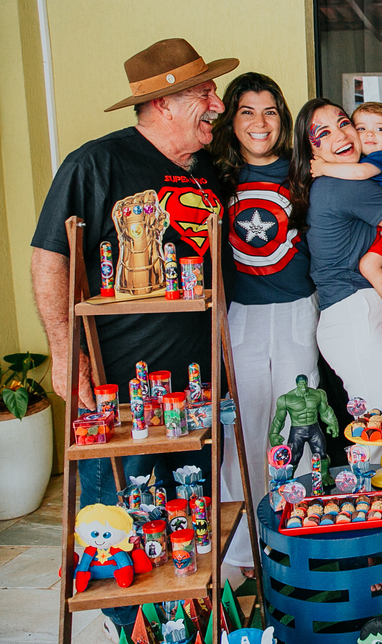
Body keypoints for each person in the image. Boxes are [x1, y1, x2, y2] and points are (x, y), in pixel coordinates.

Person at [30, 37, 237, 636]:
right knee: (119, 521)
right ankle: (127, 625)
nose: (217, 105)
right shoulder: (96, 164)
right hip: (123, 394)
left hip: (195, 393)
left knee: (185, 519)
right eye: (205, 94)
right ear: (165, 103)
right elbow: (50, 258)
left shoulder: (202, 172)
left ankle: (184, 619)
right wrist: (65, 354)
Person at [207, 71, 319, 577]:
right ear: (231, 120)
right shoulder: (215, 177)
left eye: (270, 111)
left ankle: (298, 536)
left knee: (298, 423)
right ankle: (246, 550)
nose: (260, 122)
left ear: (283, 117)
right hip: (240, 314)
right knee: (245, 425)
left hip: (298, 308)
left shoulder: (304, 171)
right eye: (247, 111)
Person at [289, 98, 382, 413]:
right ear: (311, 151)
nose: (341, 135)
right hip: (357, 313)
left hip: (369, 307)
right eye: (324, 133)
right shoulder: (344, 187)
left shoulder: (339, 183)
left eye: (343, 123)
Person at [310, 101, 382, 346]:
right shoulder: (367, 161)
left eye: (379, 129)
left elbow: (360, 174)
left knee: (368, 265)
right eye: (362, 128)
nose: (370, 135)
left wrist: (323, 167)